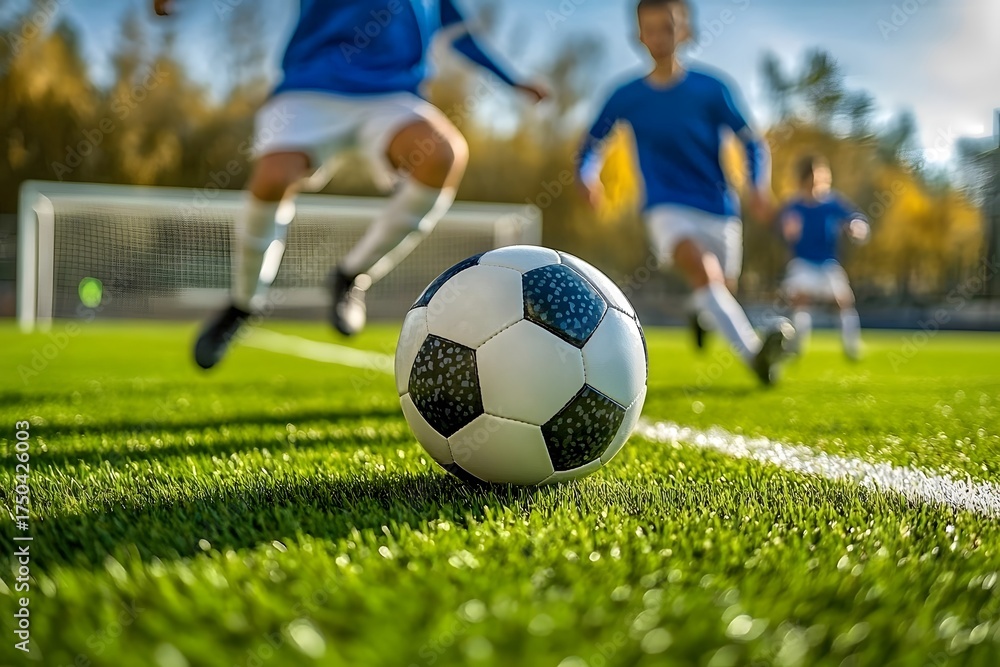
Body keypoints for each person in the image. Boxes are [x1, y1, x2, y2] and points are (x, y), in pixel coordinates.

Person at [153, 0, 546, 369]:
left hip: (392, 95)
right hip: (311, 85)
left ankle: (351, 275)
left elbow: (460, 36)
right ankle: (243, 303)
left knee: (442, 155)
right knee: (272, 179)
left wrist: (513, 81)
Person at [576, 0, 792, 385]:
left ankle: (699, 311)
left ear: (686, 31)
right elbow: (592, 142)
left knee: (721, 289)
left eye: (668, 27)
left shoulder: (713, 89)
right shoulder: (626, 95)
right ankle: (755, 355)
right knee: (703, 272)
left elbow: (752, 142)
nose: (660, 37)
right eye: (651, 29)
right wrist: (587, 174)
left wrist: (758, 187)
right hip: (665, 205)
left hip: (720, 207)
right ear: (638, 36)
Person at [778, 155, 869, 360]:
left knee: (843, 301)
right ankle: (796, 347)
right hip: (802, 262)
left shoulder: (832, 203)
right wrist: (788, 230)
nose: (816, 184)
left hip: (827, 263)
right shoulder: (794, 206)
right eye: (812, 179)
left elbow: (856, 219)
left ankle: (851, 346)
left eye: (820, 178)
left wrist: (857, 227)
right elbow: (784, 229)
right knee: (800, 300)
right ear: (803, 180)